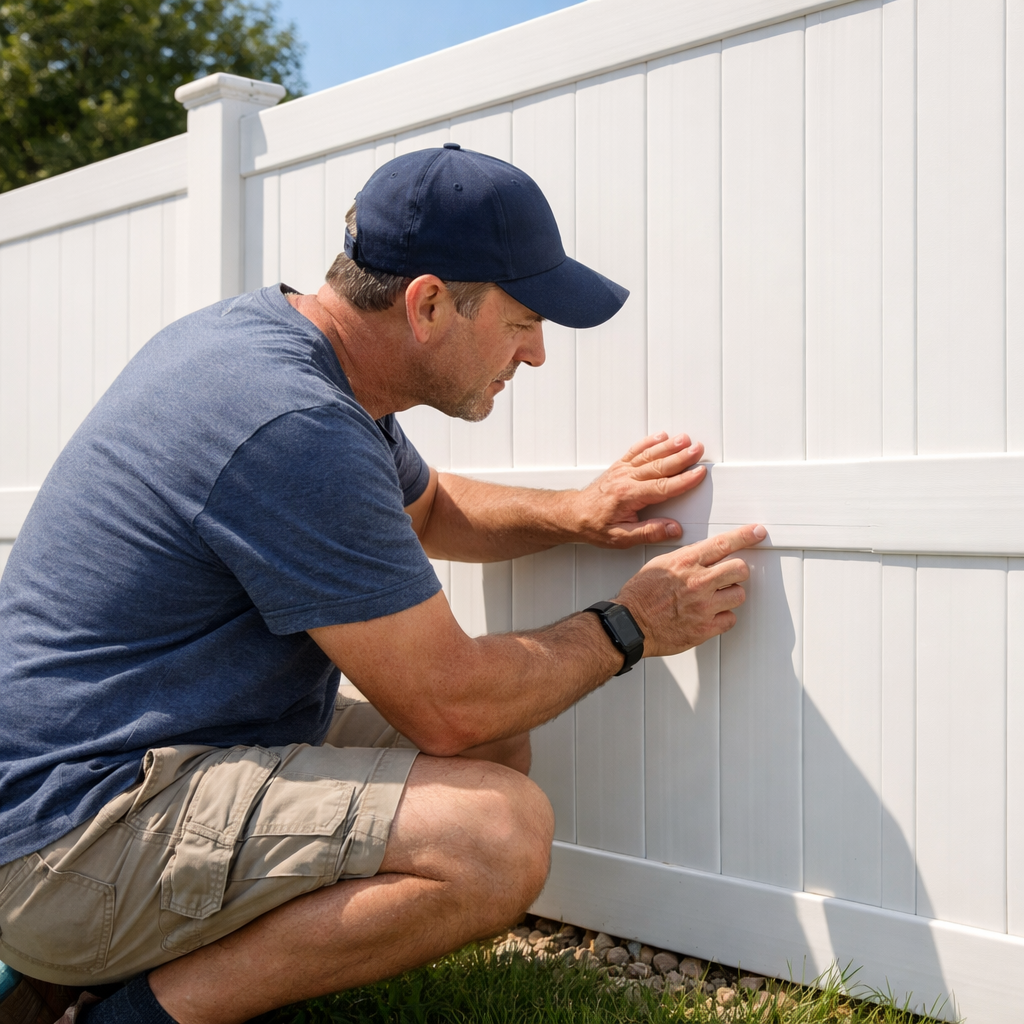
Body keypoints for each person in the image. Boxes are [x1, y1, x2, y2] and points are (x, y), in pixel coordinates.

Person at [0, 144, 764, 1024]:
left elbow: (429, 509)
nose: (539, 353)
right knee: (493, 839)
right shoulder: (292, 423)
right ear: (429, 303)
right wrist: (628, 624)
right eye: (523, 321)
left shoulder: (283, 352)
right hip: (75, 832)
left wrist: (577, 513)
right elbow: (450, 703)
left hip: (125, 770)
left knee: (488, 756)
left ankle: (68, 979)